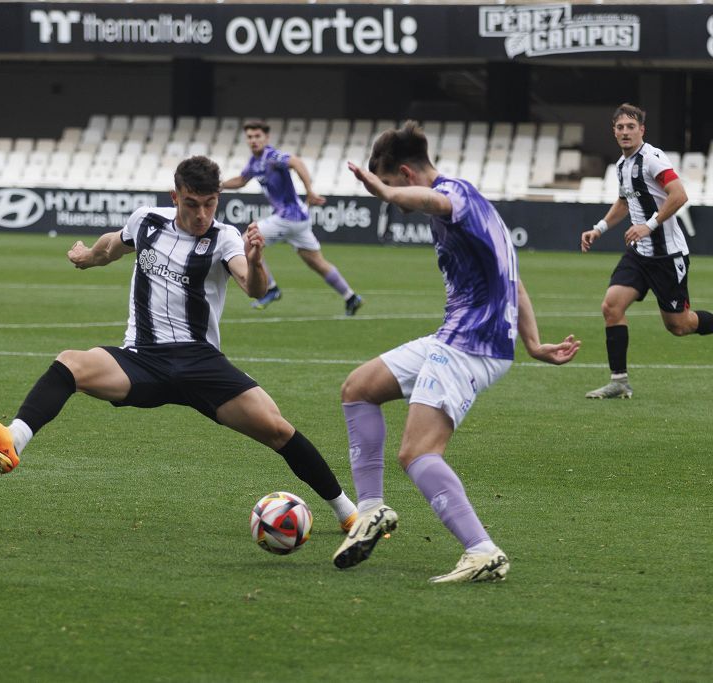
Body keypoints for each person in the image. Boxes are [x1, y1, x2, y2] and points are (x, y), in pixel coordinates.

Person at [0, 156, 358, 531]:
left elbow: (253, 287)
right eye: (192, 204)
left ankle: (347, 512)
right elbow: (111, 245)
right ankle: (13, 439)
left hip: (201, 363)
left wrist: (256, 262)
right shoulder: (147, 222)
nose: (202, 214)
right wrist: (87, 256)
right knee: (71, 363)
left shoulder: (225, 239)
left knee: (277, 430)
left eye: (210, 204)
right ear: (175, 198)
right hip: (142, 359)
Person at [333, 121, 580, 583]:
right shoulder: (479, 209)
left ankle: (482, 550)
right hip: (461, 335)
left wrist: (386, 195)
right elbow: (515, 282)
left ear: (405, 175)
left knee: (418, 452)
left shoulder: (455, 195)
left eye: (391, 185)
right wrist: (532, 342)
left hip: (471, 343)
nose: (393, 199)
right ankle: (370, 510)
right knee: (358, 388)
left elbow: (434, 201)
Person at [581, 103, 713, 399]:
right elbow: (624, 203)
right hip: (639, 254)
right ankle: (619, 381)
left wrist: (649, 225)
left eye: (631, 127)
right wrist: (599, 228)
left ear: (642, 129)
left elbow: (679, 195)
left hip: (667, 255)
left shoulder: (653, 158)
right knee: (611, 306)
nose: (625, 132)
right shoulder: (622, 165)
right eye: (620, 127)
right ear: (614, 131)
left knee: (679, 326)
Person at [220, 119, 363, 315]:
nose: (253, 140)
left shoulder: (271, 156)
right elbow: (241, 180)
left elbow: (296, 162)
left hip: (288, 217)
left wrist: (310, 190)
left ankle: (271, 289)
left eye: (257, 136)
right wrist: (219, 185)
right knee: (316, 262)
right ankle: (351, 297)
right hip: (299, 219)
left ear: (266, 138)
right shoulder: (254, 162)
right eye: (250, 137)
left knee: (246, 242)